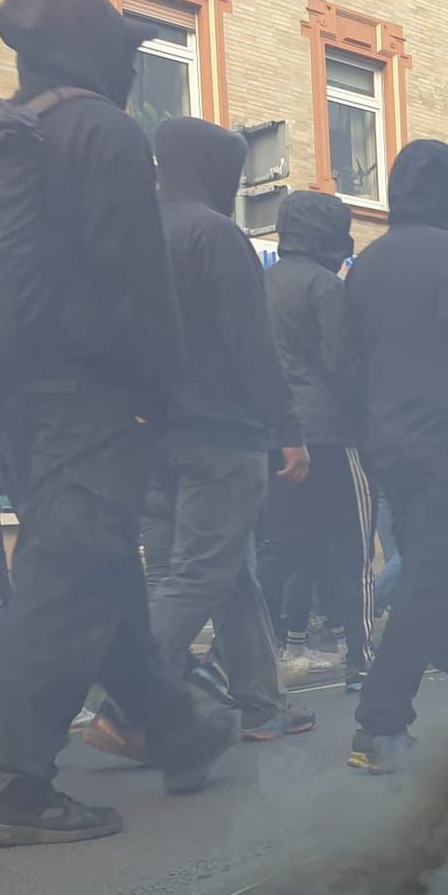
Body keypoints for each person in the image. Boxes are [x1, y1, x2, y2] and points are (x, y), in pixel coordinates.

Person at [0, 0, 238, 846]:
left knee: (102, 569)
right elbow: (134, 287)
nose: (132, 62)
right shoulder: (103, 132)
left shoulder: (17, 126)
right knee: (60, 581)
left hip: (19, 392)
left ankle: (175, 723)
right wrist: (159, 394)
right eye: (125, 47)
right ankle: (12, 788)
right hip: (92, 392)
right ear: (94, 48)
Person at [80, 115, 313, 761]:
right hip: (220, 436)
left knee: (219, 573)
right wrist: (287, 430)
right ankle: (122, 707)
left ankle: (263, 705)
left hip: (151, 438)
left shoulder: (130, 235)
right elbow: (251, 346)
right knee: (196, 578)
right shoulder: (214, 234)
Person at [338, 140, 448, 774]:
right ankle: (381, 723)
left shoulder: (366, 263)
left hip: (387, 447)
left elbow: (347, 364)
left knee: (435, 570)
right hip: (441, 445)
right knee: (431, 576)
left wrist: (370, 436)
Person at [260, 190, 376, 692]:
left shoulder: (260, 283)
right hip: (331, 432)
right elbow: (342, 365)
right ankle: (362, 659)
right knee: (355, 554)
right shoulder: (328, 287)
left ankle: (251, 658)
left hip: (275, 434)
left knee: (279, 551)